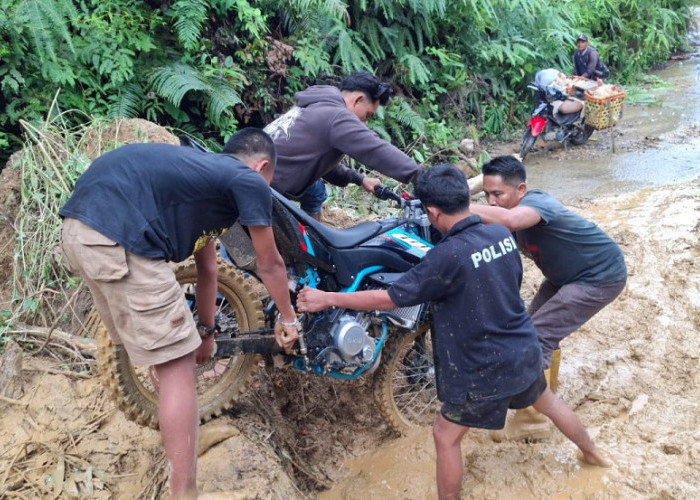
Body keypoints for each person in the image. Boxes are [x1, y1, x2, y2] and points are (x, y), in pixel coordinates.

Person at [296, 164, 610, 500]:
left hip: (483, 366)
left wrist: (327, 297)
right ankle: (593, 455)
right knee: (547, 402)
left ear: (432, 211)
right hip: (523, 346)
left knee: (445, 435)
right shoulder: (501, 236)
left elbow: (389, 298)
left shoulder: (445, 256)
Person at [57, 129, 299, 499]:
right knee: (177, 365)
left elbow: (209, 270)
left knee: (164, 356)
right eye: (267, 180)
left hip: (79, 234)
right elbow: (269, 265)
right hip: (118, 239)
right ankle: (183, 491)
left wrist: (207, 329)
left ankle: (181, 445)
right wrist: (287, 318)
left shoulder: (204, 182)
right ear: (262, 167)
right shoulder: (247, 180)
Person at [469, 155, 627, 441]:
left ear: (521, 190)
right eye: (486, 194)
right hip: (563, 277)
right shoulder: (504, 210)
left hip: (599, 276)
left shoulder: (537, 203)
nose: (491, 202)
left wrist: (456, 206)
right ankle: (544, 396)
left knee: (536, 336)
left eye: (498, 194)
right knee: (528, 329)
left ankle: (533, 419)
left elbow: (510, 219)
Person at [265, 70, 422, 220]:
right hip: (263, 187)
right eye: (367, 115)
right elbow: (375, 150)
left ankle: (312, 235)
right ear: (358, 100)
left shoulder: (315, 104)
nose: (364, 123)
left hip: (256, 168)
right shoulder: (337, 116)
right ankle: (309, 243)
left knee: (316, 190)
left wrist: (360, 179)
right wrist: (421, 176)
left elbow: (317, 160)